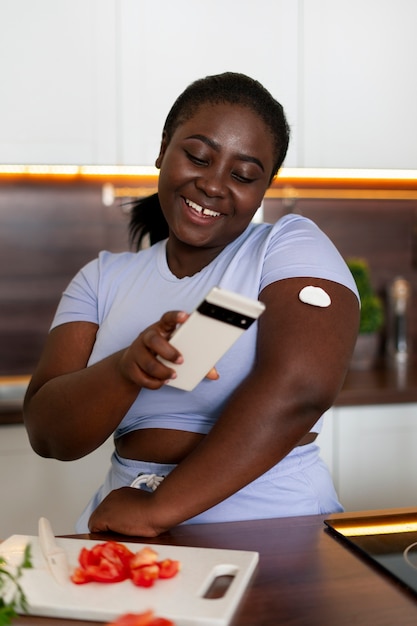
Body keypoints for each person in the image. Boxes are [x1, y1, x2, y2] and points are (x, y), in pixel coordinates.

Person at [23, 72, 360, 537]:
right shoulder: (102, 278)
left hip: (270, 517)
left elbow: (302, 387)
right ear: (163, 148)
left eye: (243, 175)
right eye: (198, 157)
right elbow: (47, 433)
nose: (214, 185)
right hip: (125, 517)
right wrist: (126, 368)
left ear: (265, 186)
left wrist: (158, 508)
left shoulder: (286, 245)